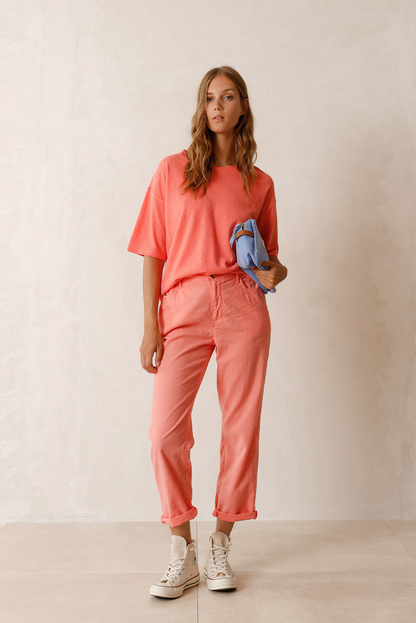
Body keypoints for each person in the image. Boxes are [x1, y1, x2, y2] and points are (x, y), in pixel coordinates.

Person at [127, 66, 287, 599]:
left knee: (240, 426)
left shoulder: (258, 182)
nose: (217, 105)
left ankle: (220, 542)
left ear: (243, 107)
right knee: (165, 433)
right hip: (183, 305)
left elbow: (272, 261)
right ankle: (183, 548)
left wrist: (274, 272)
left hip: (243, 306)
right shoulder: (172, 170)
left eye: (228, 96)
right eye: (209, 97)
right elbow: (152, 252)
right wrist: (151, 326)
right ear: (202, 108)